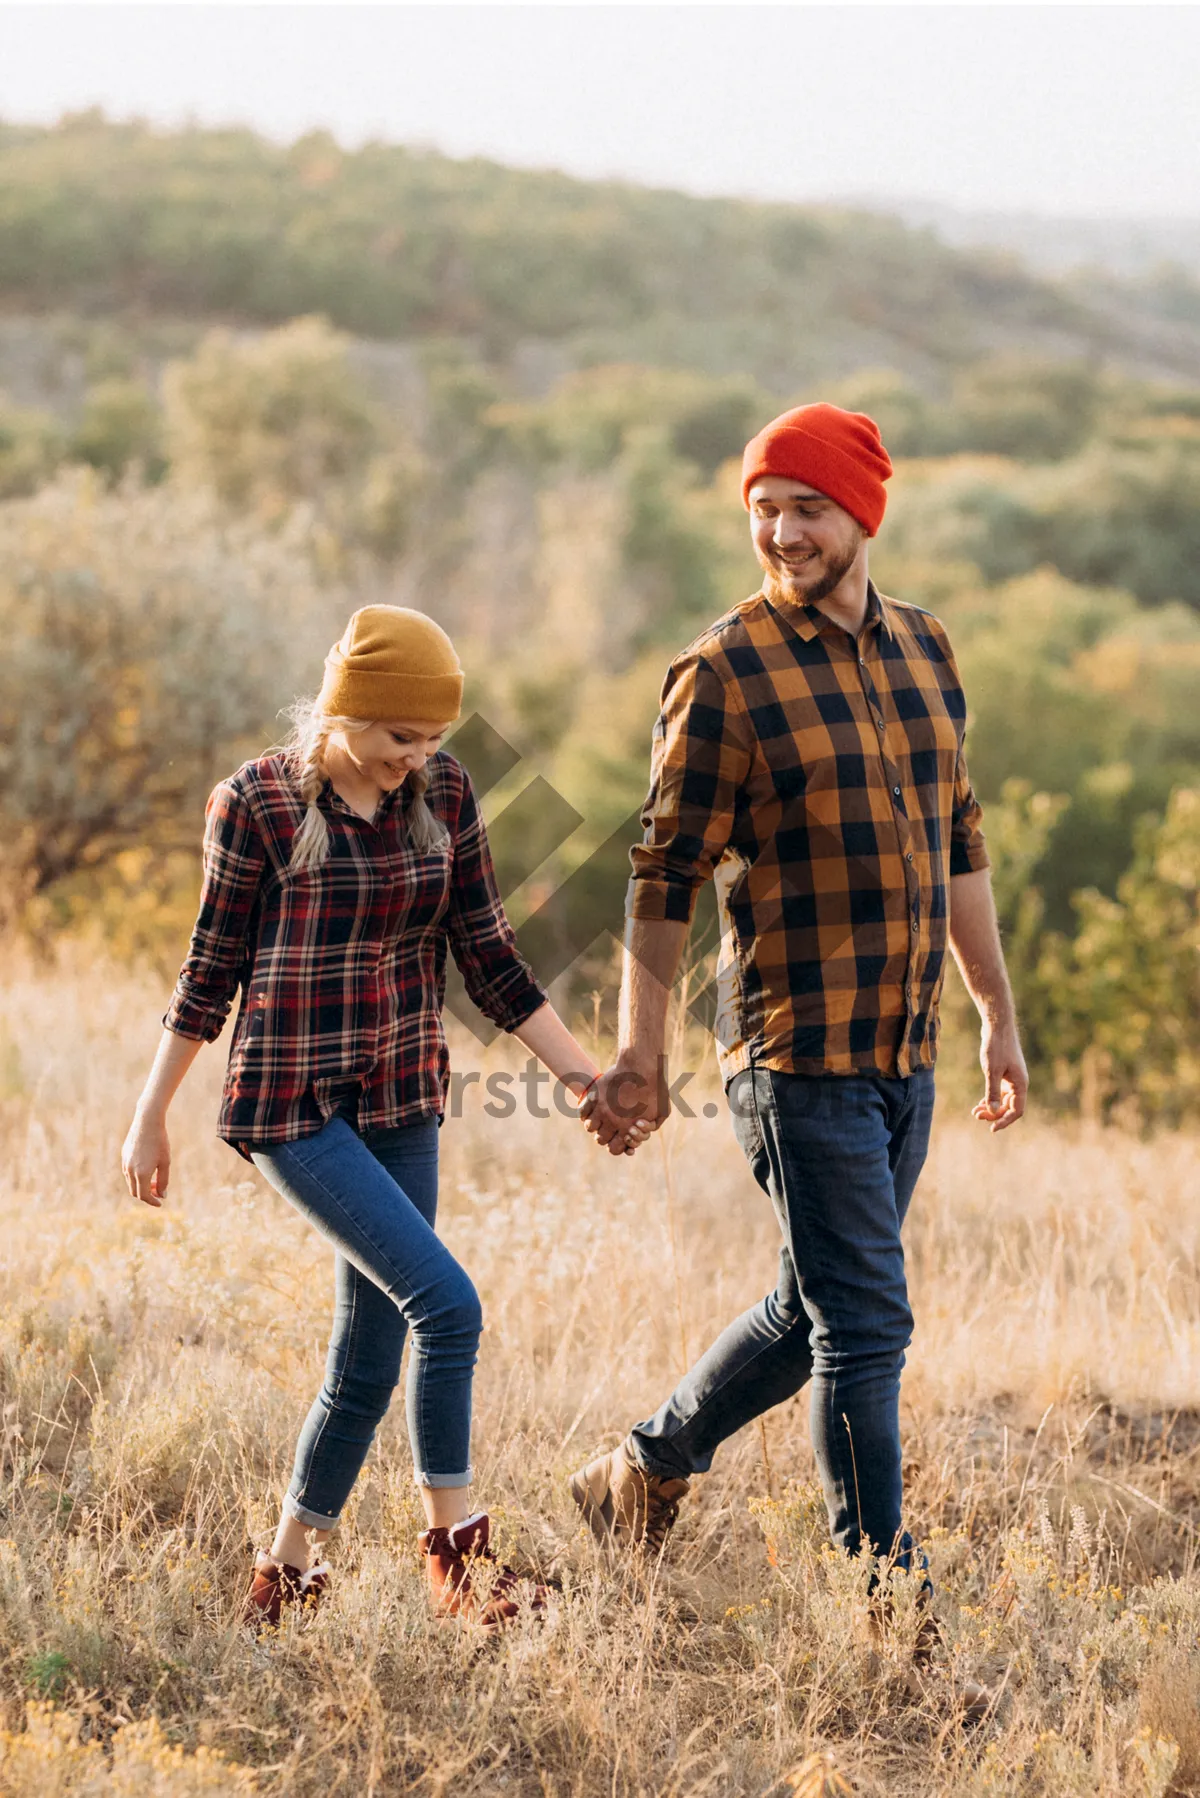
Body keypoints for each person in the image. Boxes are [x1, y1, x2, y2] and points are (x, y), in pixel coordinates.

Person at [122, 604, 647, 1633]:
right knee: (447, 1308)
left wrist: (588, 1080)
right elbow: (208, 974)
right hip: (292, 1105)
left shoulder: (443, 794)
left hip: (402, 1091)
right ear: (344, 711)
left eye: (435, 738)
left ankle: (282, 1585)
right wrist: (151, 1115)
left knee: (366, 1360)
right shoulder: (260, 805)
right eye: (401, 736)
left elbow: (490, 956)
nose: (419, 757)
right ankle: (460, 1569)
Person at [574, 404, 1027, 1595]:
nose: (780, 531)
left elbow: (959, 839)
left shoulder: (928, 648)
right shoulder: (723, 672)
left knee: (810, 1302)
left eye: (806, 508)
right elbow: (662, 871)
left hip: (903, 1049)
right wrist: (638, 1054)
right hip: (794, 1055)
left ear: (862, 512)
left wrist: (997, 1011)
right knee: (867, 1331)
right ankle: (888, 1595)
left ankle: (638, 1468)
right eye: (763, 510)